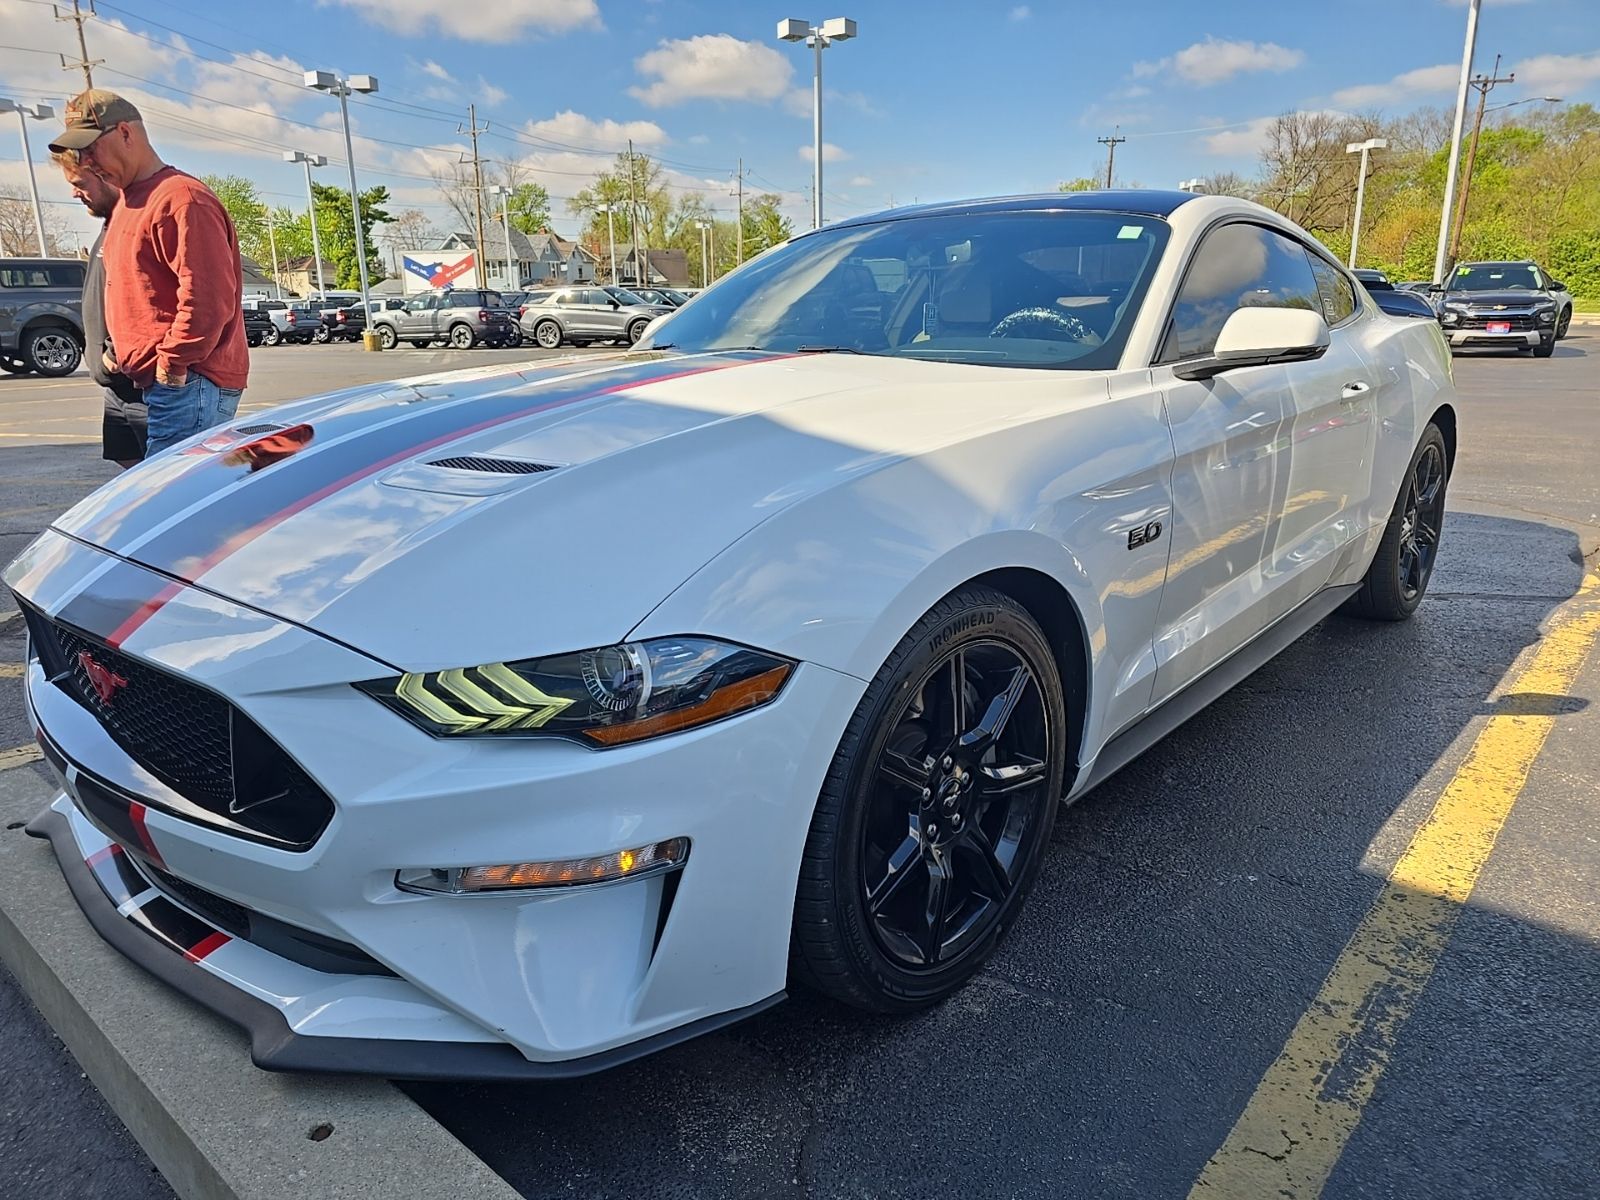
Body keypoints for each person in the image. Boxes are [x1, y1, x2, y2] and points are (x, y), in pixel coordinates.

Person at [47, 89, 248, 456]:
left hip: (189, 385)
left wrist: (171, 365)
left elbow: (208, 302)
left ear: (126, 133)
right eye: (80, 153)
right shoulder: (128, 201)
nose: (87, 162)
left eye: (91, 149)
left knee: (178, 502)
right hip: (159, 385)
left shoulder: (182, 199)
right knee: (166, 499)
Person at [51, 148, 146, 469]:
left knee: (166, 475)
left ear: (107, 176)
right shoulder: (110, 226)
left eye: (80, 183)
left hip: (139, 385)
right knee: (127, 458)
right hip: (117, 388)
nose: (74, 192)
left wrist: (115, 358)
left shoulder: (134, 222)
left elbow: (148, 299)